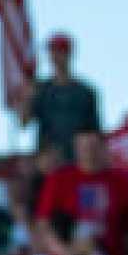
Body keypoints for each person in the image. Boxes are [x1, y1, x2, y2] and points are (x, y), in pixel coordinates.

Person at [19, 32, 103, 164]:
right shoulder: (41, 90)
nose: (55, 57)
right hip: (49, 161)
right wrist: (26, 99)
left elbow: (95, 131)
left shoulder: (85, 92)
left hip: (78, 162)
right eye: (52, 52)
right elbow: (23, 123)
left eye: (59, 52)